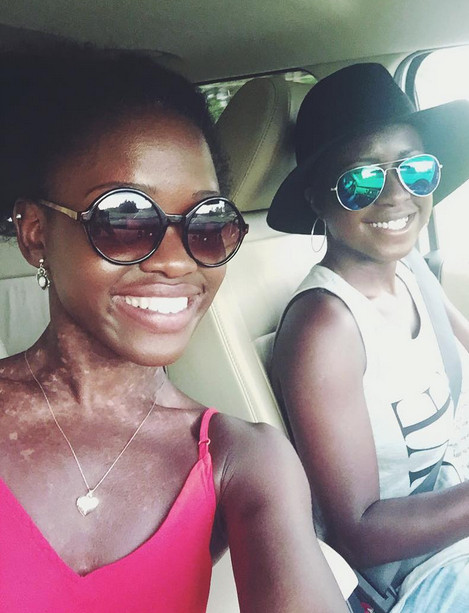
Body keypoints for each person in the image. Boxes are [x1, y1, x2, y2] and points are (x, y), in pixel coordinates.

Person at [0, 45, 348, 612]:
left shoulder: (245, 459)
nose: (176, 260)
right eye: (124, 218)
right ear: (36, 233)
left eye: (207, 223)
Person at [267, 62, 469, 612]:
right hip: (411, 576)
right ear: (317, 198)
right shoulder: (324, 326)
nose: (397, 195)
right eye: (362, 181)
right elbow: (359, 531)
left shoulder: (412, 271)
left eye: (415, 170)